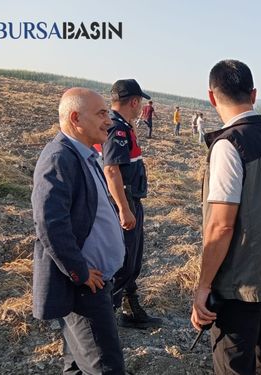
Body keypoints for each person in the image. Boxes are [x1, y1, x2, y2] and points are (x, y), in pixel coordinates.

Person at [191, 59, 261, 374]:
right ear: (253, 94)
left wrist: (203, 286)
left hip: (239, 285)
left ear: (212, 97)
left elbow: (221, 225)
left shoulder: (228, 146)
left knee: (235, 365)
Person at [32, 88, 126, 374]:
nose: (108, 120)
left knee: (76, 365)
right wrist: (80, 272)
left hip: (93, 283)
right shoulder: (60, 158)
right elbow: (50, 224)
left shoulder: (84, 155)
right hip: (82, 289)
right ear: (75, 118)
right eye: (100, 114)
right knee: (106, 367)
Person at [95, 79, 162, 329]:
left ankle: (130, 308)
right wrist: (124, 209)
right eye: (140, 102)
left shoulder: (122, 125)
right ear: (134, 101)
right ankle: (108, 318)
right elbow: (111, 170)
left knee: (132, 258)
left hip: (129, 199)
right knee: (122, 260)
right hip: (123, 201)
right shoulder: (117, 129)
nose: (141, 106)